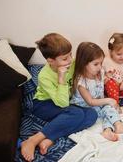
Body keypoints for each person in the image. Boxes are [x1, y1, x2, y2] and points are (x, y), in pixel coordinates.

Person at [21, 33, 98, 161]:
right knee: (76, 113)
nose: (70, 60)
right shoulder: (44, 76)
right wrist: (61, 78)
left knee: (92, 114)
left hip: (63, 103)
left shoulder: (70, 63)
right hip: (43, 104)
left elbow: (85, 63)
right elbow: (62, 103)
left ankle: (50, 138)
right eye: (64, 58)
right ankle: (33, 140)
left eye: (70, 55)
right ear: (50, 61)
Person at [71, 42, 123, 141]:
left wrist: (110, 77)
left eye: (101, 63)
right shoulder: (81, 81)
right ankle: (114, 126)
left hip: (98, 103)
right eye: (96, 64)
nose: (99, 67)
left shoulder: (100, 72)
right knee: (108, 107)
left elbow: (102, 89)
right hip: (85, 107)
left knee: (110, 108)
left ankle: (111, 129)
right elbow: (90, 102)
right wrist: (109, 100)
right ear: (83, 63)